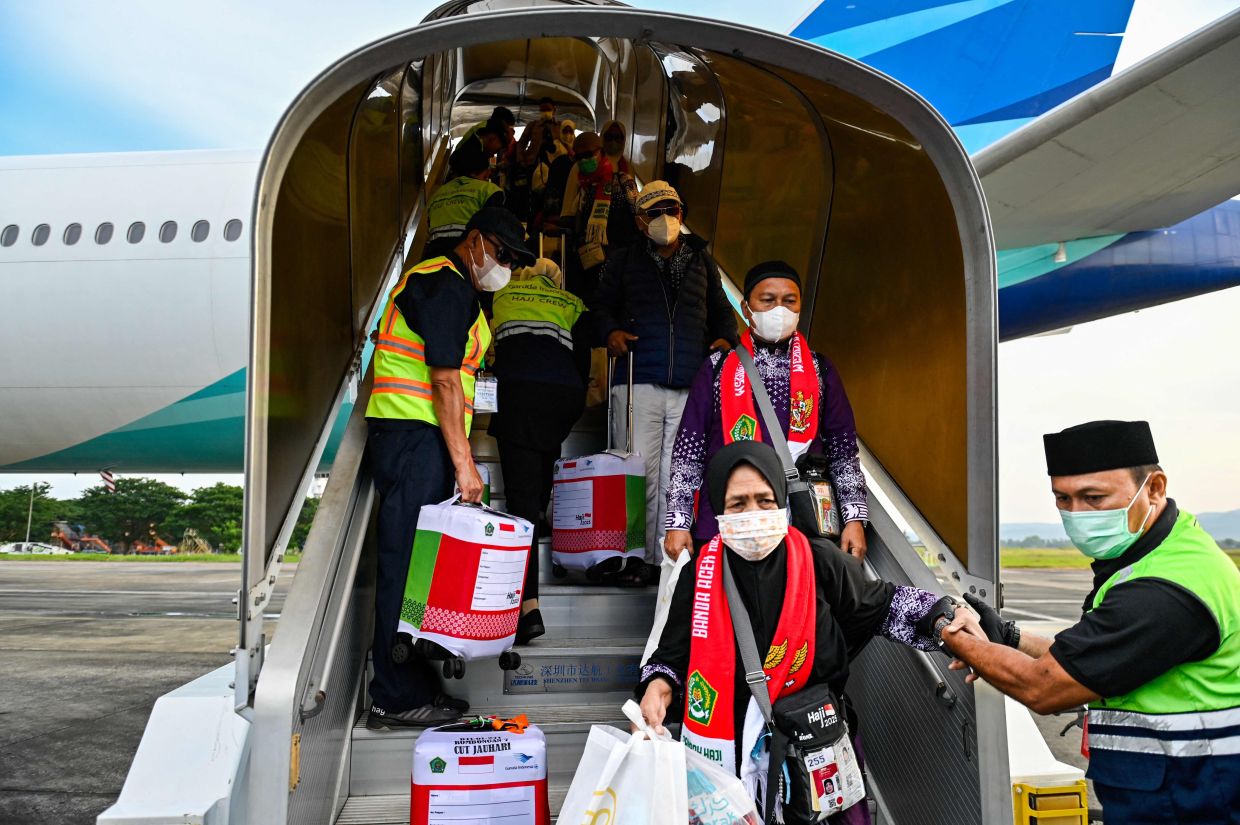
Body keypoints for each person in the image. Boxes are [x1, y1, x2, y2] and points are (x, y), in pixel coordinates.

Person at [637, 441, 962, 822]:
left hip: (817, 758)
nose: (753, 513)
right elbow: (668, 660)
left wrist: (946, 619)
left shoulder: (819, 559)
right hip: (726, 769)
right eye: (738, 504)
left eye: (764, 500)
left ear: (781, 501)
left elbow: (885, 605)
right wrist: (656, 689)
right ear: (719, 512)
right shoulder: (699, 575)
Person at [939, 420, 1240, 823]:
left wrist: (946, 630)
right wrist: (1009, 637)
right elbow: (1093, 658)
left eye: (1094, 497)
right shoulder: (1158, 555)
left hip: (1194, 802)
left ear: (1154, 488)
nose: (1077, 514)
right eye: (1063, 499)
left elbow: (1044, 687)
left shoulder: (1164, 588)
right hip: (1171, 795)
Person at [364, 208, 535, 731]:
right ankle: (392, 696)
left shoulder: (457, 289)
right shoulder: (443, 283)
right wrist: (466, 466)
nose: (504, 266)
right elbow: (442, 381)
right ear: (476, 242)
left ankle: (412, 684)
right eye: (502, 254)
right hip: (415, 438)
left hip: (422, 438)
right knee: (403, 568)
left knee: (419, 571)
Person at [665, 261, 869, 561]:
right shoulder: (717, 368)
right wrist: (679, 522)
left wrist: (854, 520)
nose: (780, 309)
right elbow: (688, 453)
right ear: (747, 309)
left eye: (789, 301)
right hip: (727, 523)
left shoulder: (821, 370)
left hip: (802, 526)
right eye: (768, 300)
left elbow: (843, 453)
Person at [590, 180, 737, 580]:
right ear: (640, 221)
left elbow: (724, 314)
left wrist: (724, 341)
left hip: (691, 384)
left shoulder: (701, 261)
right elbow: (599, 308)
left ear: (681, 214)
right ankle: (631, 557)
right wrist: (610, 334)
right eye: (654, 213)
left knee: (680, 472)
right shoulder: (622, 260)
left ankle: (665, 558)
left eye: (670, 210)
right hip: (638, 378)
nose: (664, 219)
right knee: (637, 473)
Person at [488, 257, 590, 644]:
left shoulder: (501, 293)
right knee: (542, 462)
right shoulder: (569, 301)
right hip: (563, 396)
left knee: (520, 504)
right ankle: (542, 512)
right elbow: (582, 359)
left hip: (519, 393)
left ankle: (527, 608)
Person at [557, 128, 638, 301]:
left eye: (588, 154)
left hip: (619, 262)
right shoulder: (583, 187)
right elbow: (575, 220)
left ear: (600, 152)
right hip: (589, 261)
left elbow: (638, 217)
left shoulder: (625, 181)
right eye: (578, 157)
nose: (584, 160)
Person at [426, 138, 504, 259]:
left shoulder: (438, 193)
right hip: (466, 254)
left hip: (433, 255)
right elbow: (493, 229)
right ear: (486, 172)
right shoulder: (489, 190)